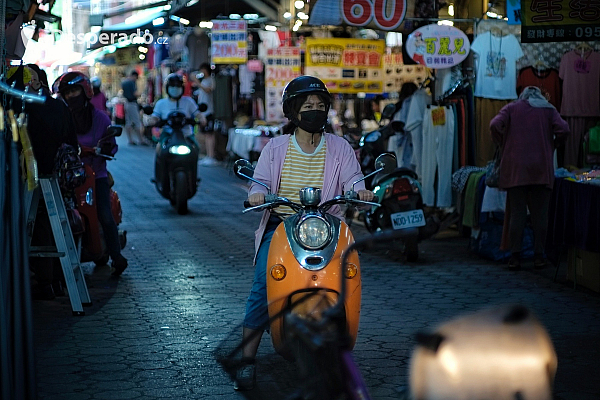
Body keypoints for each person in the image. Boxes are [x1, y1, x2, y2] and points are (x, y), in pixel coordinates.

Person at [234, 75, 374, 391]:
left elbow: (354, 180)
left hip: (330, 227)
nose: (315, 111)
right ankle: (246, 359)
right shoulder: (275, 147)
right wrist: (258, 194)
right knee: (263, 284)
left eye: (320, 105)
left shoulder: (340, 146)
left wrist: (359, 191)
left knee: (346, 279)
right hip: (281, 225)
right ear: (293, 111)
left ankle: (342, 342)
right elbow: (260, 184)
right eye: (308, 105)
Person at [55, 71, 129, 276]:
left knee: (104, 214)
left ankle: (117, 256)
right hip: (68, 175)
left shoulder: (100, 118)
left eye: (75, 91)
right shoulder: (61, 118)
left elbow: (111, 144)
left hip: (96, 174)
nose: (71, 96)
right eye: (67, 92)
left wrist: (104, 149)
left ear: (85, 91)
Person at [490, 86, 569, 271]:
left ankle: (515, 258)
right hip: (541, 168)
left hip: (516, 168)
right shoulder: (548, 109)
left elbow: (494, 124)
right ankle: (539, 256)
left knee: (517, 214)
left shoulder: (511, 108)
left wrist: (502, 141)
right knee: (540, 215)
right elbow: (564, 129)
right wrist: (553, 144)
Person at [17, 64, 79, 299]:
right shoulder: (56, 106)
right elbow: (72, 142)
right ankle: (56, 280)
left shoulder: (27, 106)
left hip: (36, 178)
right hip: (59, 177)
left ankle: (47, 282)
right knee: (54, 226)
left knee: (42, 226)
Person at [150, 73, 204, 142]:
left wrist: (202, 119)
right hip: (168, 134)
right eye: (172, 86)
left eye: (178, 86)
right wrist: (152, 121)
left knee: (195, 147)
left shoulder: (189, 101)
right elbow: (155, 116)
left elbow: (198, 114)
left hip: (186, 135)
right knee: (161, 146)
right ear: (167, 87)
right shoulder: (161, 103)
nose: (175, 88)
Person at [192, 63, 217, 166]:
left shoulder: (210, 80)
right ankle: (208, 155)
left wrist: (197, 82)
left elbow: (208, 90)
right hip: (203, 112)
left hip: (209, 111)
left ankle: (211, 156)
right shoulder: (204, 80)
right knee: (206, 134)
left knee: (209, 134)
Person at [121, 70, 148, 145]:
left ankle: (130, 140)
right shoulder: (132, 83)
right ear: (134, 76)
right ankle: (141, 139)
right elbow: (135, 93)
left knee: (128, 122)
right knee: (137, 122)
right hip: (132, 103)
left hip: (126, 103)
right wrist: (141, 94)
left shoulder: (124, 82)